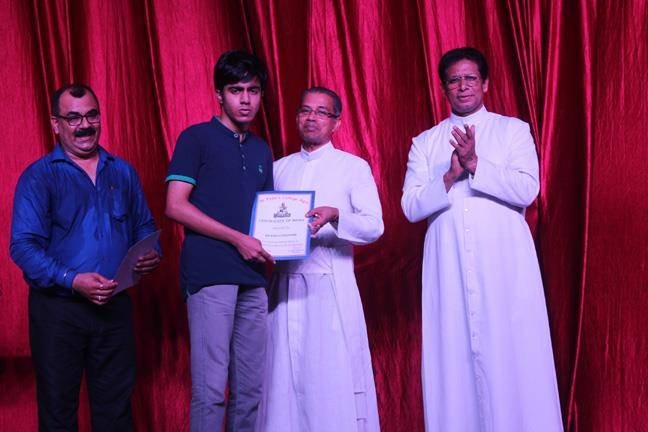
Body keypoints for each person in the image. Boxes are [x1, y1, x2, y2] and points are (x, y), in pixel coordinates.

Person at [401, 47, 563, 431]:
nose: (463, 86)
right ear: (444, 88)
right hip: (448, 264)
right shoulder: (426, 142)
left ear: (486, 83)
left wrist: (476, 164)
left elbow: (527, 189)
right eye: (454, 80)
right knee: (453, 353)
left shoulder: (512, 130)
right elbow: (410, 206)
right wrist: (449, 176)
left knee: (512, 349)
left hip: (504, 263)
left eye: (470, 78)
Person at [10, 83, 161, 431]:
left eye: (91, 115)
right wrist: (73, 280)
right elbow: (23, 246)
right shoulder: (39, 176)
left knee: (116, 414)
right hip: (58, 311)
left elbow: (145, 227)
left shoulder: (122, 172)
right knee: (58, 415)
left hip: (114, 308)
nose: (84, 125)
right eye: (73, 118)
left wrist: (151, 254)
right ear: (56, 124)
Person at [258, 87, 384, 432]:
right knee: (281, 380)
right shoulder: (278, 169)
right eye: (305, 111)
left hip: (330, 288)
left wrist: (336, 215)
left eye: (321, 112)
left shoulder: (352, 167)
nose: (311, 118)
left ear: (336, 122)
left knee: (329, 380)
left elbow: (374, 225)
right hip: (283, 290)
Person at [165, 50, 273, 432]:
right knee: (211, 390)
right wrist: (236, 238)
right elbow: (175, 205)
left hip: (253, 278)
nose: (245, 99)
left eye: (253, 90)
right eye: (235, 90)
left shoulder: (261, 149)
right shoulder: (196, 138)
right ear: (219, 95)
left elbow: (266, 216)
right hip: (211, 274)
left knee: (250, 391)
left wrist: (290, 236)